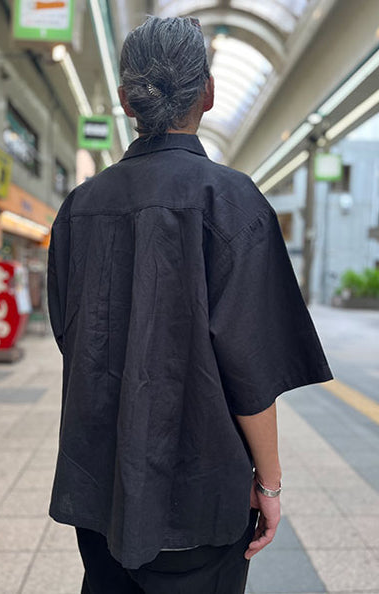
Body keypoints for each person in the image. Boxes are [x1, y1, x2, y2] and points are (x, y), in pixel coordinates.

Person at [47, 15, 333, 594]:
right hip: (202, 497)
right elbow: (252, 371)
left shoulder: (79, 208)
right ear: (208, 92)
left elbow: (69, 336)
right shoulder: (233, 202)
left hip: (99, 489)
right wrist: (269, 485)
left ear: (126, 101)